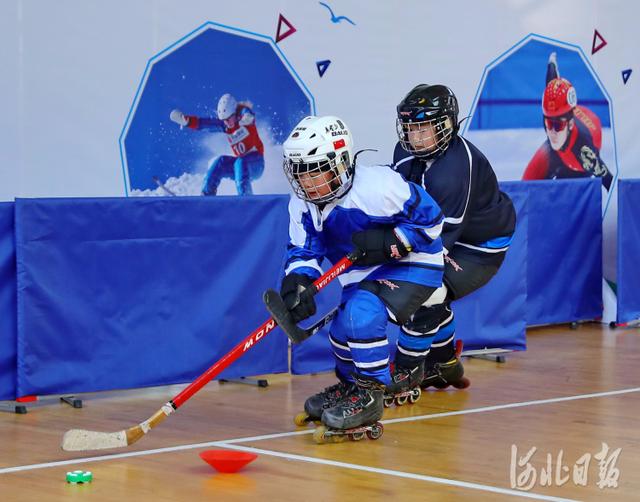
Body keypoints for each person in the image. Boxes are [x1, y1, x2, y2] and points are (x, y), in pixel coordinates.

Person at [278, 115, 446, 442]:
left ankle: (370, 396)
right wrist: (298, 282)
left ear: (340, 163)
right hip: (363, 271)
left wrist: (391, 241)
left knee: (361, 315)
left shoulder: (380, 187)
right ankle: (351, 385)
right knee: (341, 326)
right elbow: (304, 249)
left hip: (414, 262)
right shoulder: (301, 203)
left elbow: (433, 221)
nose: (308, 183)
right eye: (301, 173)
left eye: (316, 171)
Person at [393, 84, 516, 390]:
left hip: (480, 245)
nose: (415, 137)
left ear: (447, 126)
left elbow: (434, 241)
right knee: (424, 288)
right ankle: (443, 363)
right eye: (410, 128)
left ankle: (406, 371)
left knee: (425, 291)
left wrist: (386, 251)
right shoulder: (403, 153)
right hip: (445, 234)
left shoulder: (455, 168)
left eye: (424, 129)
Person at [522, 53, 612, 189]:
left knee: (566, 196)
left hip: (577, 159)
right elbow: (552, 82)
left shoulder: (584, 153)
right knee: (526, 183)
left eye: (557, 125)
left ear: (570, 124)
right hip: (561, 147)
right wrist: (551, 63)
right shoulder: (553, 110)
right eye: (548, 124)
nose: (552, 132)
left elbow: (609, 182)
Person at [169, 93, 265, 195]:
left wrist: (247, 116)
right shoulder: (225, 126)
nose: (227, 123)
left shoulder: (244, 118)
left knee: (240, 161)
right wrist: (187, 121)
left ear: (235, 113)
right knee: (221, 161)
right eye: (224, 120)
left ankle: (246, 198)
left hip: (256, 164)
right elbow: (205, 123)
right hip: (240, 169)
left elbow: (246, 112)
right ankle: (207, 196)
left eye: (228, 119)